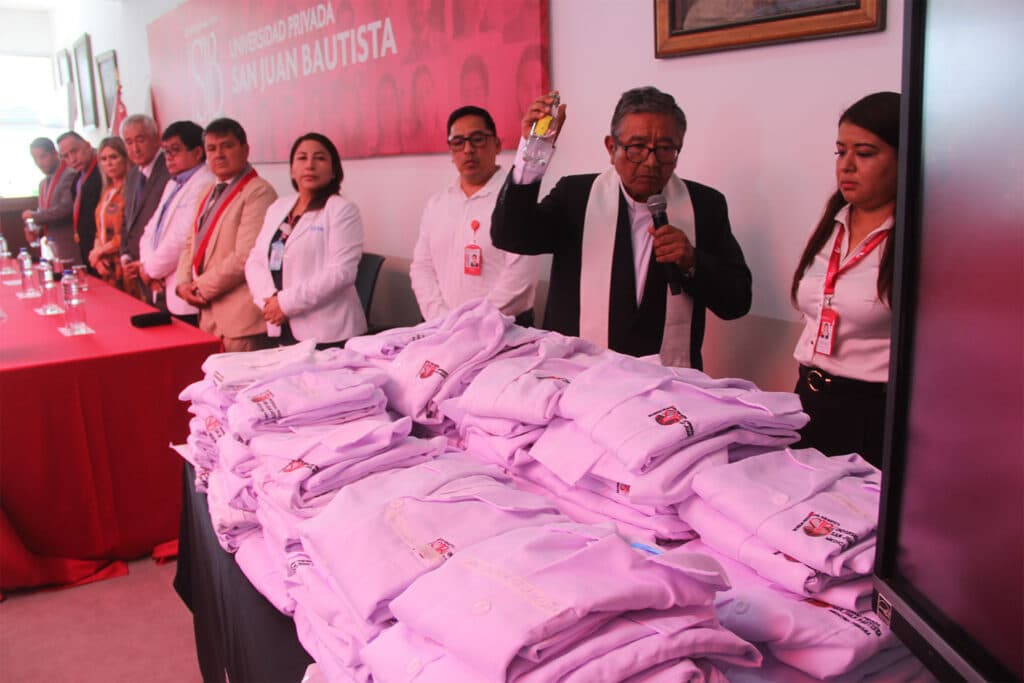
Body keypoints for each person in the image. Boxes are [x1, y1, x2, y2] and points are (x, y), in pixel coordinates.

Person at [491, 86, 752, 369]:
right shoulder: (576, 197)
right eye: (637, 147)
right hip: (579, 379)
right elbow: (511, 235)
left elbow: (736, 302)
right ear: (610, 147)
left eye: (665, 149)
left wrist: (692, 260)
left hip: (668, 387)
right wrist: (533, 149)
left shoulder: (704, 206)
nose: (651, 162)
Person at [791, 91, 901, 467]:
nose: (847, 166)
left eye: (865, 153)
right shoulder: (830, 224)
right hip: (808, 397)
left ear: (905, 159)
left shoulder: (919, 239)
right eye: (841, 152)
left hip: (872, 411)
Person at [411, 105, 538, 325]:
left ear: (497, 145)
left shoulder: (517, 200)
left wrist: (470, 322)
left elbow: (520, 278)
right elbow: (421, 267)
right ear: (451, 151)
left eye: (477, 139)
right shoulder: (437, 204)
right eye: (458, 142)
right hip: (441, 328)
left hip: (503, 328)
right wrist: (440, 318)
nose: (468, 149)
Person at [245, 133, 367, 348]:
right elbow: (255, 260)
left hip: (327, 332)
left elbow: (341, 273)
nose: (309, 165)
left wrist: (285, 303)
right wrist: (269, 301)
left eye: (319, 158)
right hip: (281, 323)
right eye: (302, 158)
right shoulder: (279, 208)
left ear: (333, 171)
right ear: (292, 169)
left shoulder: (341, 210)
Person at [175, 118, 278, 352]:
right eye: (212, 148)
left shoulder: (259, 191)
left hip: (241, 321)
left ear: (245, 149)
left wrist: (199, 288)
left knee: (243, 388)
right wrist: (182, 284)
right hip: (209, 316)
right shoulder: (207, 191)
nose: (219, 154)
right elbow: (191, 242)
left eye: (227, 146)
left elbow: (245, 256)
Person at [137, 121, 215, 326]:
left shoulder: (205, 182)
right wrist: (146, 267)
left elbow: (181, 238)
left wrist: (151, 270)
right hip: (161, 283)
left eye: (175, 150)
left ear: (198, 153)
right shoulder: (174, 182)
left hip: (182, 288)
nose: (168, 157)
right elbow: (149, 229)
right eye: (166, 152)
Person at [119, 114, 171, 299]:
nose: (135, 148)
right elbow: (127, 219)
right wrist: (125, 255)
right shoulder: (133, 174)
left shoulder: (169, 169)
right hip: (136, 267)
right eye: (129, 142)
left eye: (140, 140)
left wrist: (149, 264)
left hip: (162, 270)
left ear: (157, 139)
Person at [22, 138, 75, 263]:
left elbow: (66, 209)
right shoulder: (43, 184)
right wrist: (36, 230)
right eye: (35, 159)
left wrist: (35, 216)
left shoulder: (70, 175)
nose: (39, 162)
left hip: (70, 247)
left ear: (55, 153)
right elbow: (46, 214)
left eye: (43, 156)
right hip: (50, 248)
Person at [87, 137, 130, 286]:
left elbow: (127, 234)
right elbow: (99, 229)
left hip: (125, 264)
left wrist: (99, 252)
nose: (109, 163)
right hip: (106, 265)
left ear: (125, 158)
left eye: (114, 157)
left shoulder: (131, 191)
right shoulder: (107, 190)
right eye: (104, 159)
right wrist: (97, 254)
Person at [56, 132, 101, 268]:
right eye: (66, 156)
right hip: (85, 246)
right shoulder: (77, 179)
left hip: (102, 248)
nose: (72, 159)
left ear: (88, 146)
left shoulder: (103, 171)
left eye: (74, 151)